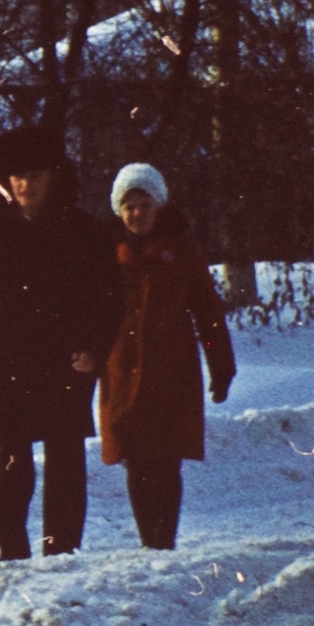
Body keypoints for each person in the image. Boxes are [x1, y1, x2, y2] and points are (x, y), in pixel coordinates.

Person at [0, 127, 121, 558]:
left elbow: (111, 302)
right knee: (11, 465)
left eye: (36, 175)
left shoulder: (86, 232)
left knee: (65, 463)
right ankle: (12, 550)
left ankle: (60, 551)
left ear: (55, 175)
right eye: (17, 176)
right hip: (6, 365)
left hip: (66, 364)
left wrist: (94, 351)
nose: (26, 185)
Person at [99, 163, 235, 549]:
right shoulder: (105, 254)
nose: (137, 214)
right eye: (129, 206)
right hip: (123, 370)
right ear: (119, 210)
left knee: (166, 459)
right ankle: (149, 541)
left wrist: (221, 367)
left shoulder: (183, 251)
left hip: (171, 372)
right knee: (135, 459)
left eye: (145, 205)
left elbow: (207, 314)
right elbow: (88, 312)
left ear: (158, 207)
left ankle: (164, 541)